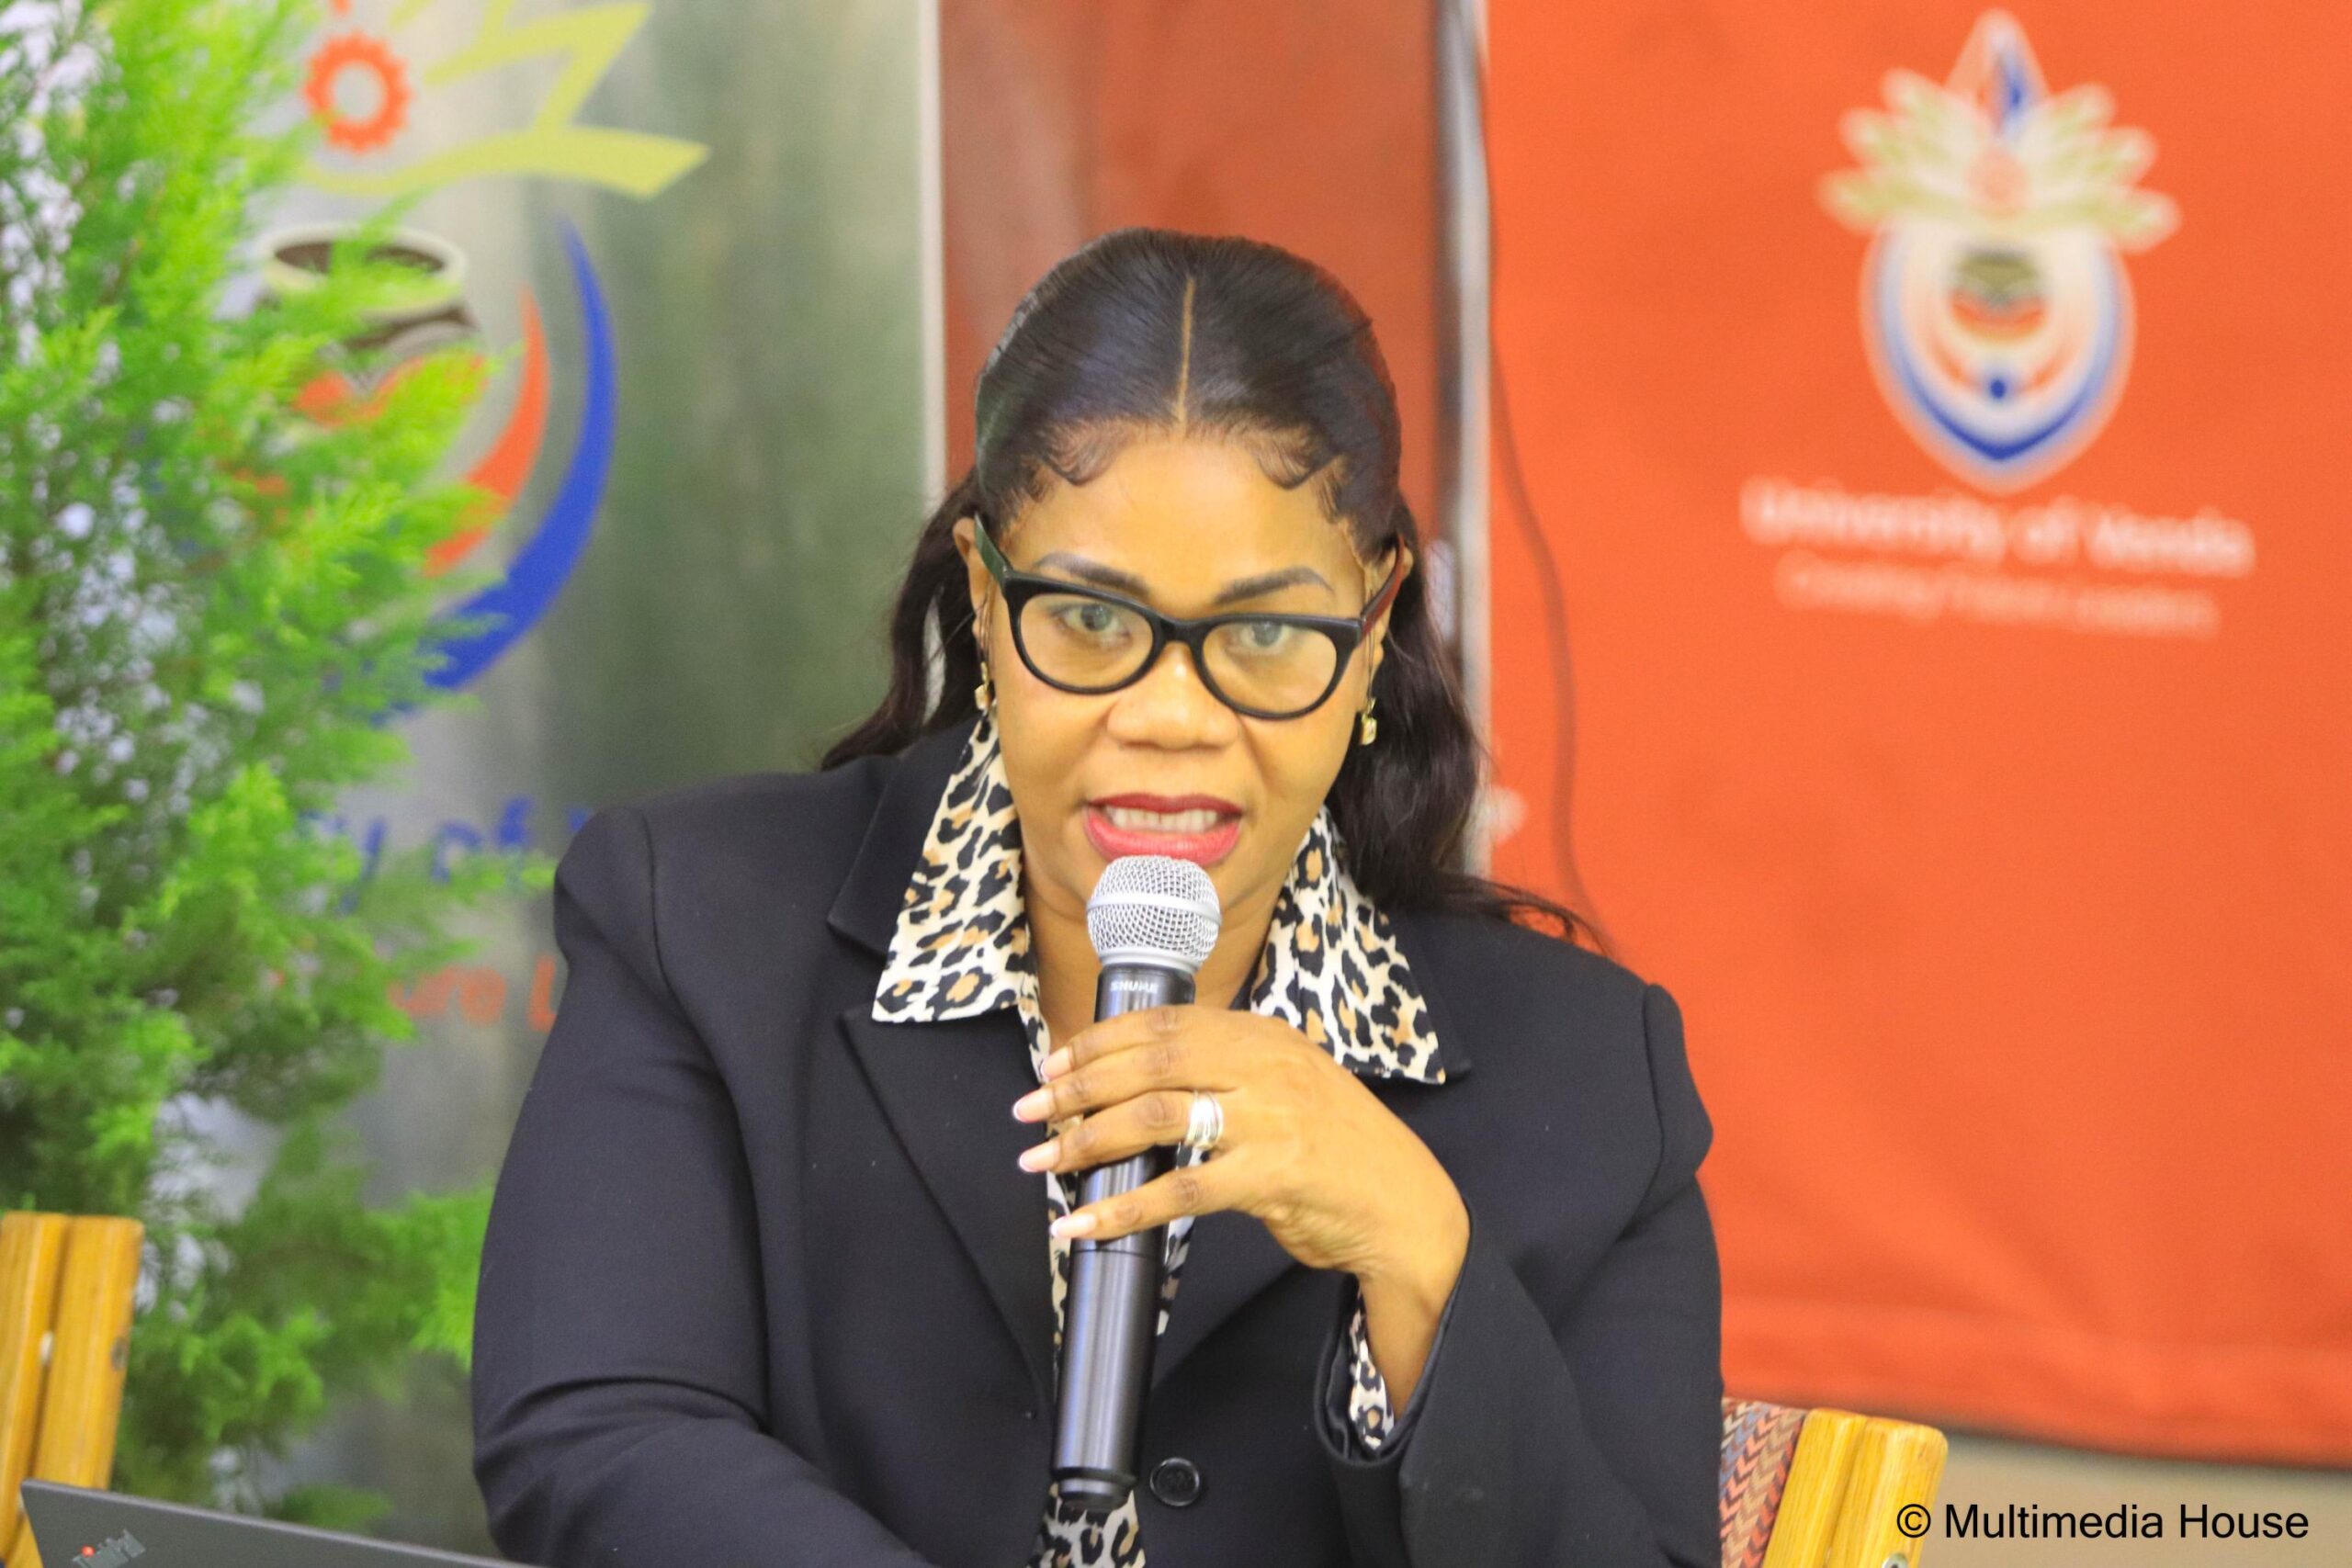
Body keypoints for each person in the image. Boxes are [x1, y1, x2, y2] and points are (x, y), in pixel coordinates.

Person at [470, 227, 1722, 1568]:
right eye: (1090, 621)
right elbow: (598, 1437)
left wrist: (1422, 1262)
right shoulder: (703, 921)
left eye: (1264, 634)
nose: (1171, 715)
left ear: (1371, 631)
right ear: (984, 598)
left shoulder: (1594, 1081)